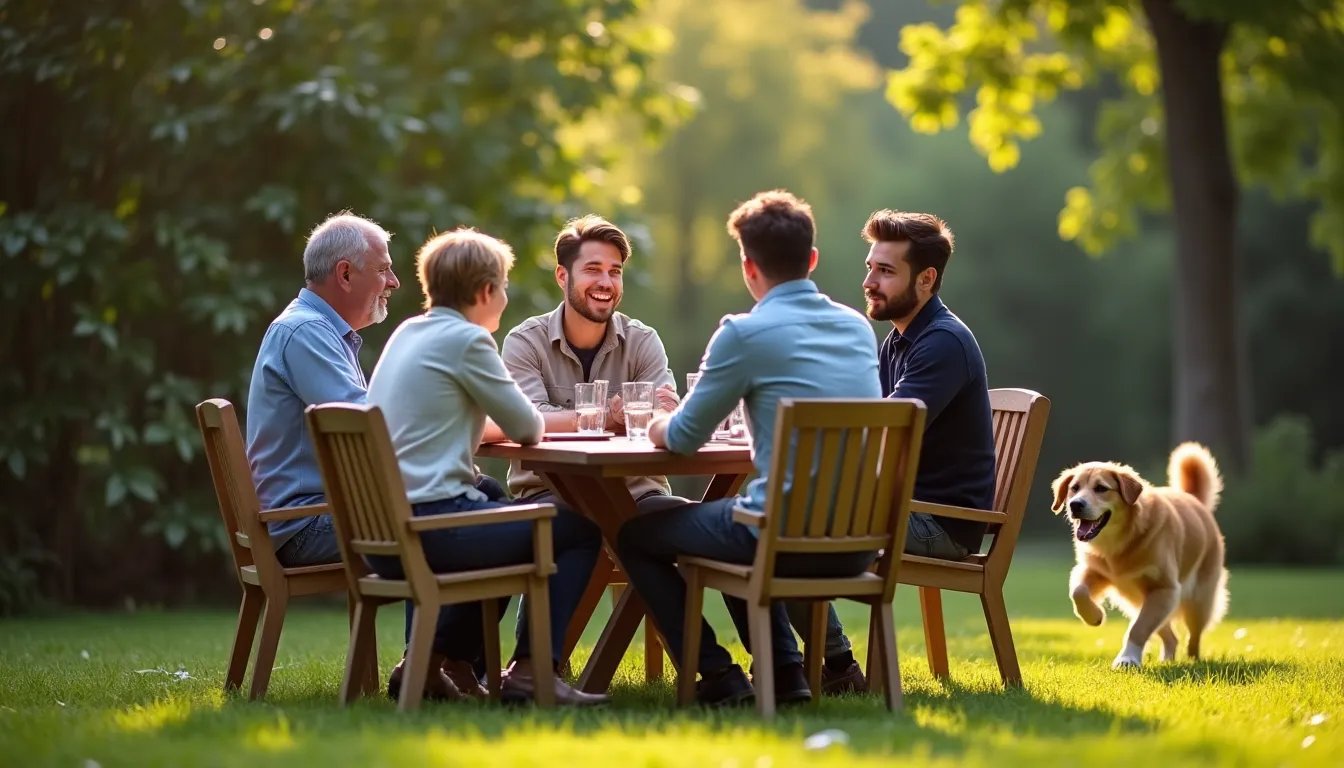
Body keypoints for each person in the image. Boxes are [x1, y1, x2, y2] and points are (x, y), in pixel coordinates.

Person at [616, 190, 883, 707]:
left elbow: (684, 438)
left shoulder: (744, 333)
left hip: (778, 538)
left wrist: (652, 423)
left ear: (747, 267)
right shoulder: (857, 327)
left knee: (634, 534)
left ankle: (717, 675)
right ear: (812, 260)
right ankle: (786, 676)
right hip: (859, 541)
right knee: (729, 516)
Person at [365, 228, 607, 706]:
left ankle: (432, 664)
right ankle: (533, 672)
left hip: (381, 536)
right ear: (483, 292)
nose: (505, 295)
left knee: (495, 497)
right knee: (580, 528)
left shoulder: (408, 332)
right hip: (431, 531)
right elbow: (528, 427)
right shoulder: (468, 342)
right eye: (503, 285)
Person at [784, 209, 997, 692]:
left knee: (784, 526)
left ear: (926, 279)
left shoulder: (942, 344)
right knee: (780, 517)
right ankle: (809, 666)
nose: (869, 281)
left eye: (885, 271)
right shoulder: (899, 339)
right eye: (870, 267)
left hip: (939, 521)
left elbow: (882, 432)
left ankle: (832, 668)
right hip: (903, 504)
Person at [245, 211, 403, 568]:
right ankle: (439, 627)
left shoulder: (322, 331)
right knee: (449, 521)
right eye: (382, 270)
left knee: (467, 504)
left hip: (314, 517)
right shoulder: (305, 332)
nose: (394, 281)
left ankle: (436, 626)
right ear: (345, 274)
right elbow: (365, 427)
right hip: (307, 526)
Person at [500, 214, 686, 513]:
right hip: (549, 496)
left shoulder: (643, 340)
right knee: (580, 528)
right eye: (593, 270)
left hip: (638, 495)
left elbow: (665, 412)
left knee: (683, 522)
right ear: (562, 276)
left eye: (615, 272)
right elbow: (523, 422)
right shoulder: (525, 342)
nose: (606, 282)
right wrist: (609, 419)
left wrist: (654, 413)